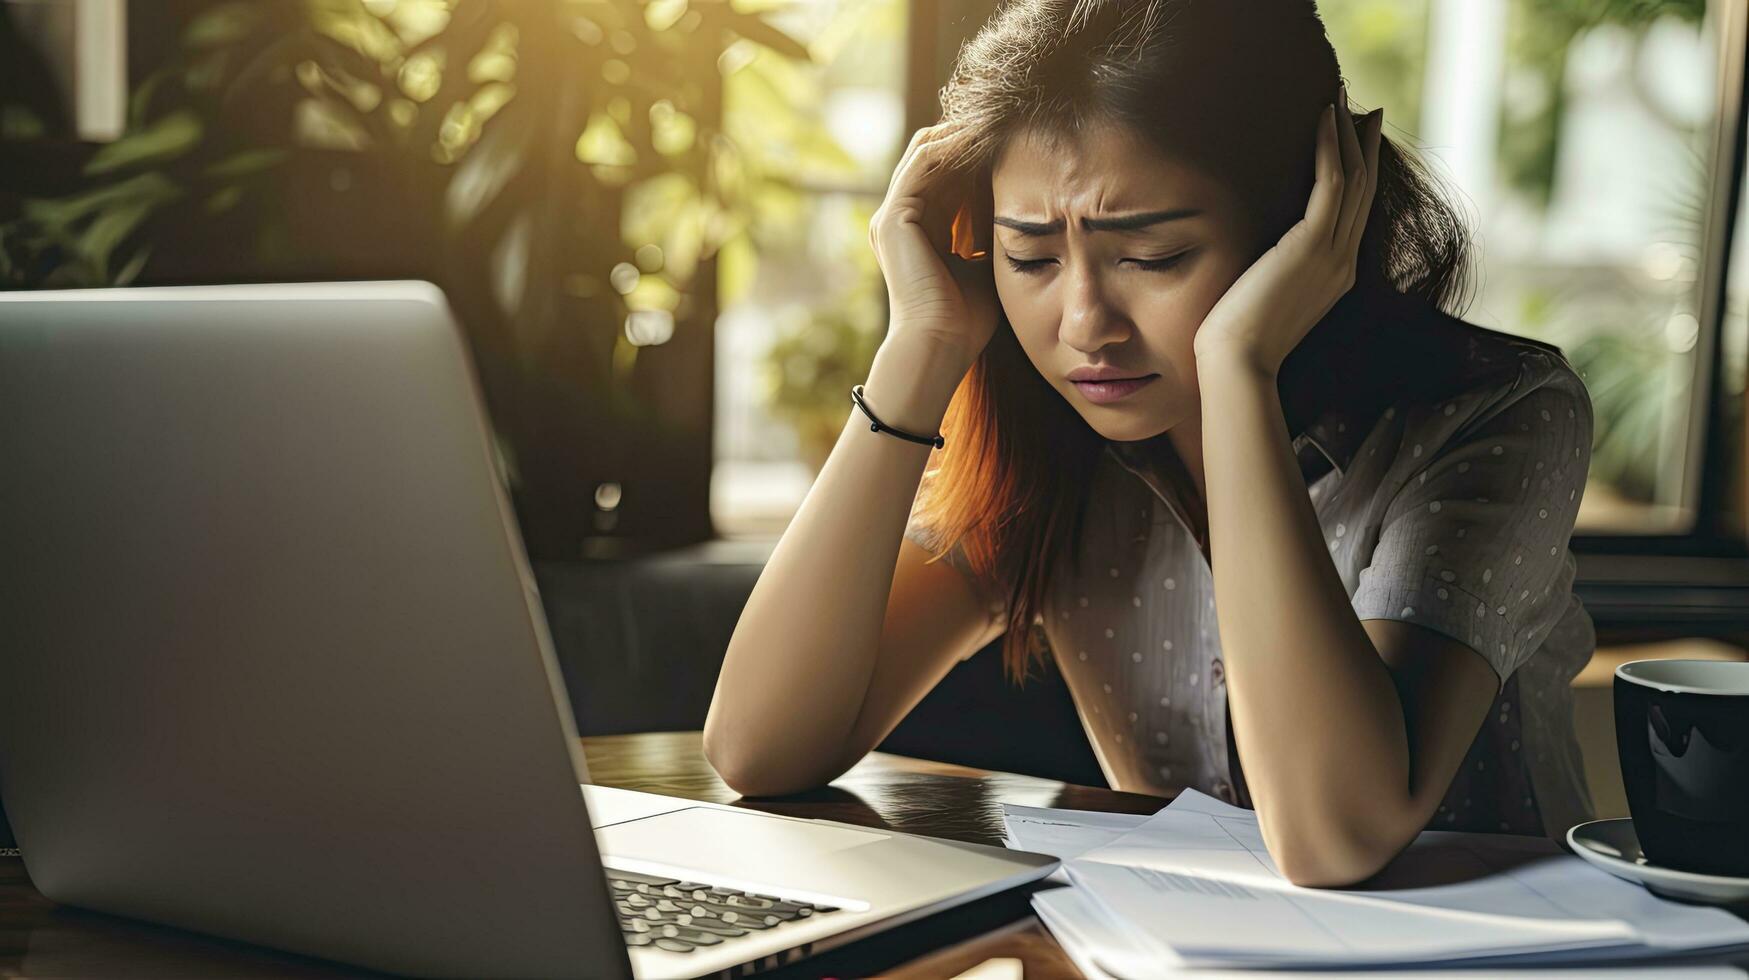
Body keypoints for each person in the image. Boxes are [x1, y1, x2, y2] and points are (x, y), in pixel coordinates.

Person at [703, 0, 1595, 888]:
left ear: (1308, 220)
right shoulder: (1050, 442)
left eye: (1154, 256)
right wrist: (921, 345)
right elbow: (758, 748)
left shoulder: (1497, 413)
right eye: (1032, 259)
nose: (1086, 326)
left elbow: (1336, 836)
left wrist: (1237, 366)